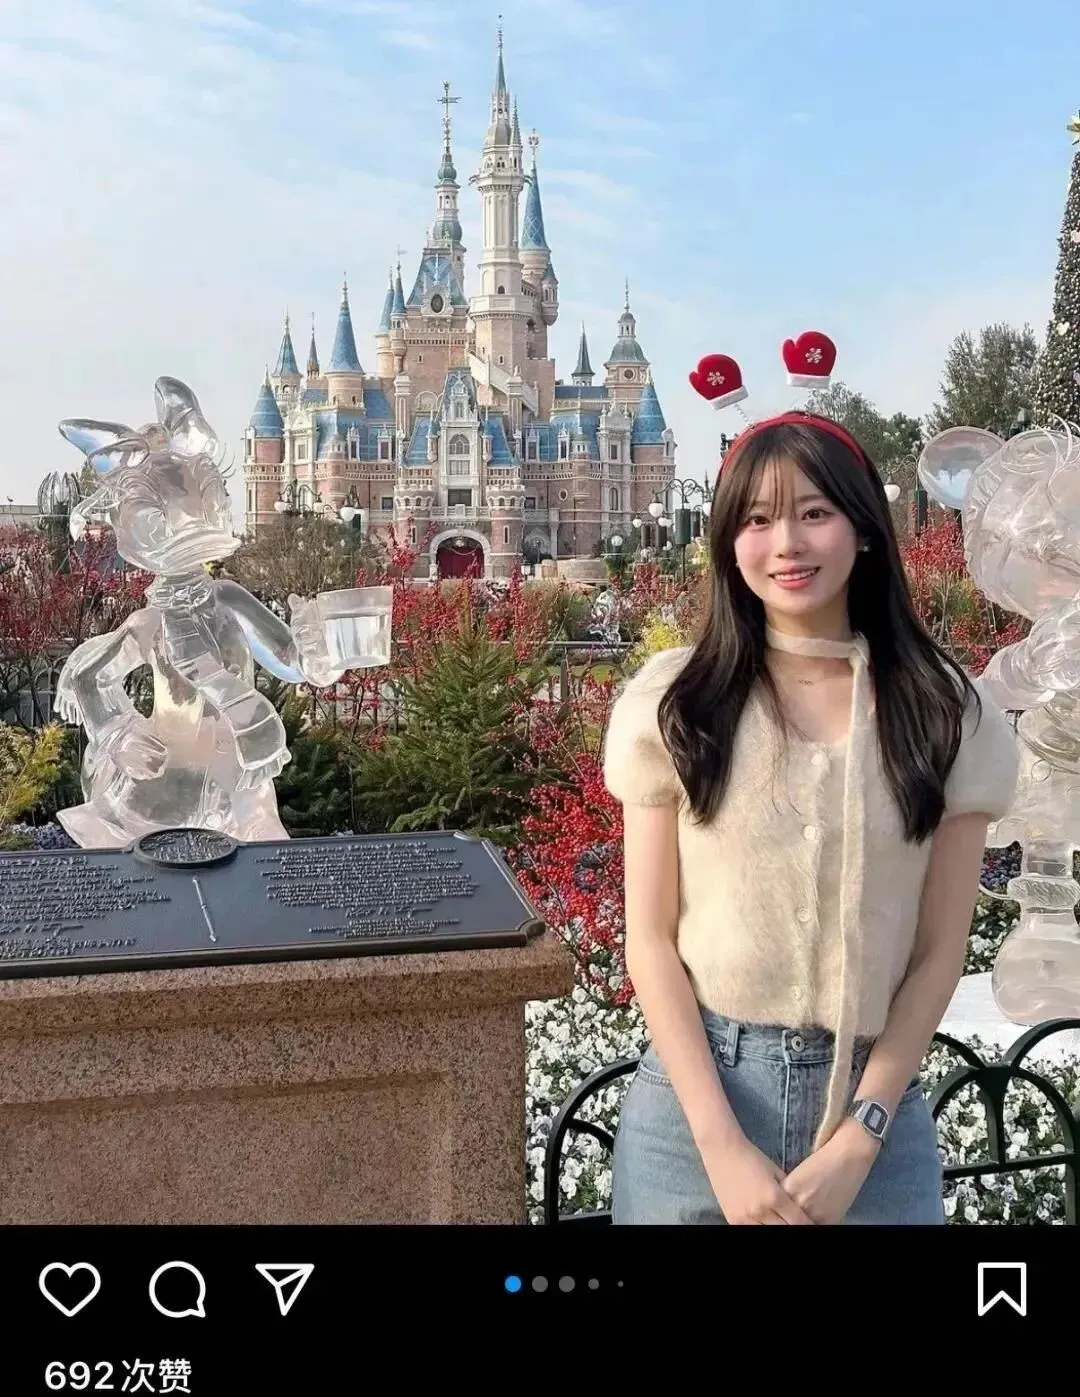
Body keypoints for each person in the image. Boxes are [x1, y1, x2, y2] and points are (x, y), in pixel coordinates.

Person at [602, 413, 1020, 1224]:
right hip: (695, 1120)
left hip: (876, 1121)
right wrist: (721, 1147)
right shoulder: (680, 704)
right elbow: (648, 939)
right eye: (758, 519)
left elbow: (939, 952)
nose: (786, 543)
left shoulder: (945, 712)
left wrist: (861, 1137)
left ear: (862, 528)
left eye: (814, 512)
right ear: (729, 542)